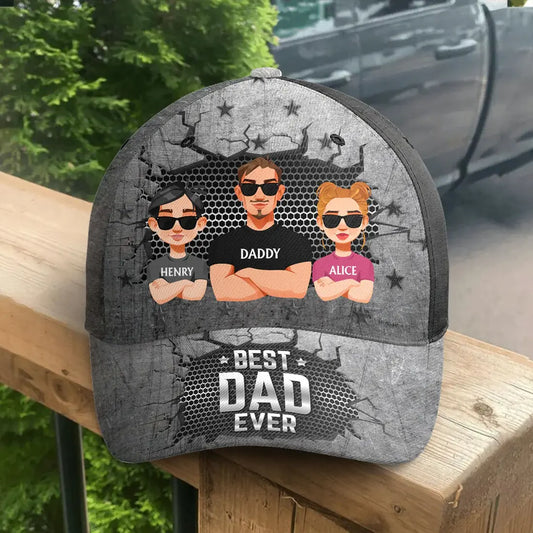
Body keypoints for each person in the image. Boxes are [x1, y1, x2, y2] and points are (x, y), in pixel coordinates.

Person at [208, 157, 312, 301]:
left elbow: (298, 288)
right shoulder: (222, 243)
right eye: (249, 188)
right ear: (239, 193)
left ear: (280, 192)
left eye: (269, 187)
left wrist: (249, 273)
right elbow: (223, 291)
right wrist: (279, 284)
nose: (259, 195)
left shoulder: (296, 242)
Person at [312, 181, 374, 303]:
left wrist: (333, 285)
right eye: (332, 219)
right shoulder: (319, 265)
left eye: (352, 219)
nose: (342, 226)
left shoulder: (365, 264)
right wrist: (351, 282)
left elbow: (364, 296)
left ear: (364, 222)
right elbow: (324, 294)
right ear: (320, 223)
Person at [146, 183, 208, 304]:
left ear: (200, 224)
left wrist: (167, 287)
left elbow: (197, 294)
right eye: (166, 221)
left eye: (187, 221)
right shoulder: (155, 265)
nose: (177, 228)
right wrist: (185, 283)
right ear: (154, 224)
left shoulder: (199, 264)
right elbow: (159, 297)